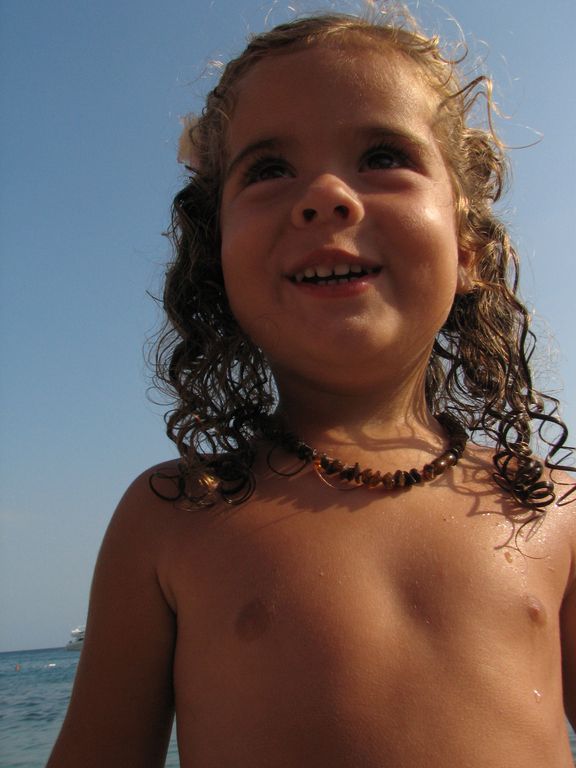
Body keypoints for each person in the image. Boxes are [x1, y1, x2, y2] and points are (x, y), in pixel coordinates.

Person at [47, 4, 576, 767]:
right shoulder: (171, 522)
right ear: (216, 260)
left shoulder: (551, 513)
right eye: (269, 170)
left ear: (467, 248)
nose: (326, 195)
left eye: (383, 156)